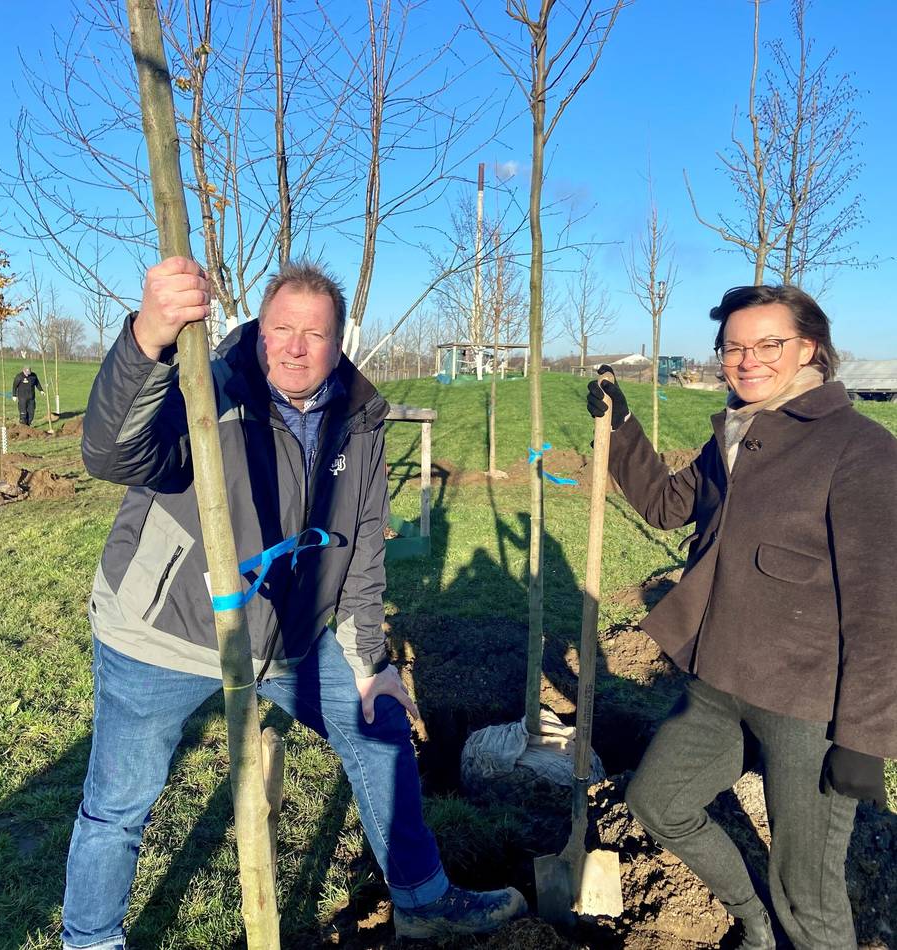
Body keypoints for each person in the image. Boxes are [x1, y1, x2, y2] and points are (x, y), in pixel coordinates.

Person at [62, 257, 526, 950]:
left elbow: (362, 546)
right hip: (165, 629)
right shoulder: (208, 388)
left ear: (340, 342)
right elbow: (111, 453)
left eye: (315, 334)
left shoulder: (359, 421)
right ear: (260, 329)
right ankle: (91, 940)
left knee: (379, 723)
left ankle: (422, 899)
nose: (296, 348)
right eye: (282, 328)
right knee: (119, 803)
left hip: (289, 639)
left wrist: (369, 663)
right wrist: (147, 337)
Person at [585, 285, 896, 950]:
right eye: (733, 347)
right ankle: (754, 921)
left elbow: (881, 605)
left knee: (807, 895)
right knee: (657, 803)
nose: (747, 360)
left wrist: (864, 735)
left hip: (805, 705)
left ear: (809, 349)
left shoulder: (859, 448)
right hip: (719, 684)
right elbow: (668, 506)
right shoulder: (737, 434)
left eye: (767, 344)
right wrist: (622, 425)